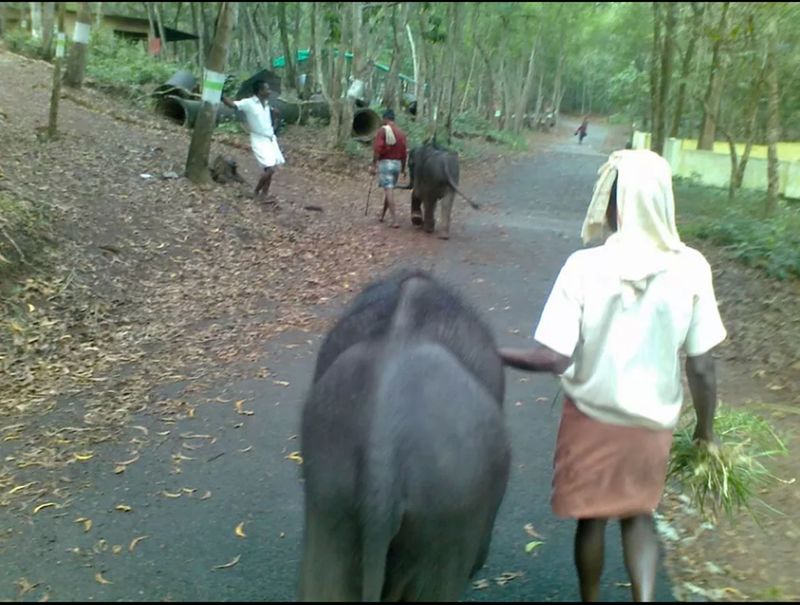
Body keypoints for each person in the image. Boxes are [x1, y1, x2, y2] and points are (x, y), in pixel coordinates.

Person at [498, 149, 726, 602]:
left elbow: (553, 359)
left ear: (615, 202)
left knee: (592, 519)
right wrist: (706, 432)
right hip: (652, 424)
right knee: (639, 515)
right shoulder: (692, 268)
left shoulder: (584, 267)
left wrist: (491, 352)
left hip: (591, 417)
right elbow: (701, 365)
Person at [222, 80, 285, 201]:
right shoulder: (249, 103)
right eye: (267, 89)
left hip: (270, 139)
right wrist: (221, 95)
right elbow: (233, 105)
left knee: (270, 168)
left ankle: (264, 194)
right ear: (260, 91)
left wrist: (276, 116)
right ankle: (256, 192)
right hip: (259, 139)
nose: (269, 91)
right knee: (270, 168)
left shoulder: (267, 105)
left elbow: (269, 122)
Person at [369, 109, 407, 228]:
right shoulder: (401, 133)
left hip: (386, 163)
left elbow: (377, 149)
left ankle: (394, 220)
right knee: (389, 189)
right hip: (397, 164)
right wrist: (403, 168)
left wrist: (374, 164)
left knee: (389, 190)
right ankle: (382, 215)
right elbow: (404, 153)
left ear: (385, 118)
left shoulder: (383, 130)